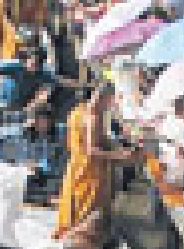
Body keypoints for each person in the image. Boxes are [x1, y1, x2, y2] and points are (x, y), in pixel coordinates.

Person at [55, 80, 133, 238]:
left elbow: (80, 142)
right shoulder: (94, 117)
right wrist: (119, 155)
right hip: (91, 170)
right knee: (89, 211)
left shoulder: (77, 110)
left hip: (75, 165)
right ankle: (82, 243)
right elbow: (91, 150)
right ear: (106, 98)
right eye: (112, 101)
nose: (111, 107)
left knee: (74, 205)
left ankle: (72, 238)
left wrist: (112, 143)